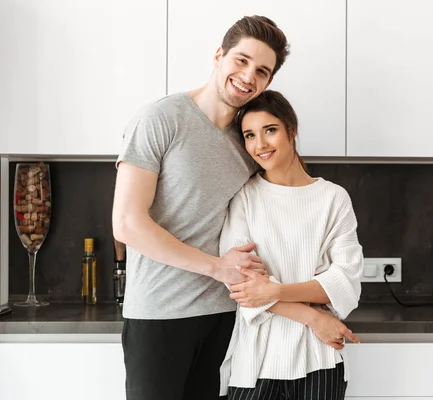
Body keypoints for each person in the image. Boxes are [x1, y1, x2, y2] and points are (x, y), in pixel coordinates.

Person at [111, 16, 289, 400]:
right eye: (241, 61)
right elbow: (126, 224)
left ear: (268, 82)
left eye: (261, 71)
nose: (247, 76)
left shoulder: (250, 140)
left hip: (224, 317)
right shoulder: (161, 118)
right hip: (158, 313)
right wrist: (218, 267)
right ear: (219, 55)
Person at [218, 90, 364, 400]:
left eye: (270, 130)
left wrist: (275, 290)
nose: (260, 144)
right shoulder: (244, 197)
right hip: (257, 359)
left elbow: (345, 281)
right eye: (249, 135)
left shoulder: (332, 199)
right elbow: (243, 285)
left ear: (291, 129)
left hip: (319, 358)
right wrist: (313, 316)